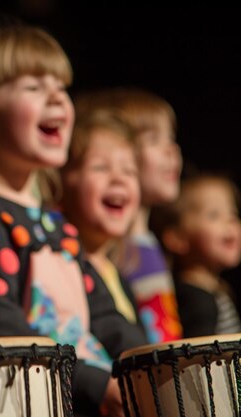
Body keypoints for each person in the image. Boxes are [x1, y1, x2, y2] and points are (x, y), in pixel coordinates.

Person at [0, 23, 132, 417]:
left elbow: (101, 312)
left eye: (61, 87)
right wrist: (95, 384)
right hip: (40, 399)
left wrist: (144, 359)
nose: (56, 98)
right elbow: (1, 325)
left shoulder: (53, 220)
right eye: (33, 87)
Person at [75, 87, 183, 344]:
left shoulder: (144, 246)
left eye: (171, 137)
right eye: (154, 139)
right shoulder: (114, 251)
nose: (171, 150)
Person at [59, 110, 147, 354]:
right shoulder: (65, 268)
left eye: (129, 171)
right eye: (100, 167)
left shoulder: (117, 276)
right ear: (62, 182)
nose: (119, 178)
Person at [151, 173, 241, 337]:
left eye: (233, 214)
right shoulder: (196, 301)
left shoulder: (216, 291)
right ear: (178, 238)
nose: (230, 222)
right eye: (214, 215)